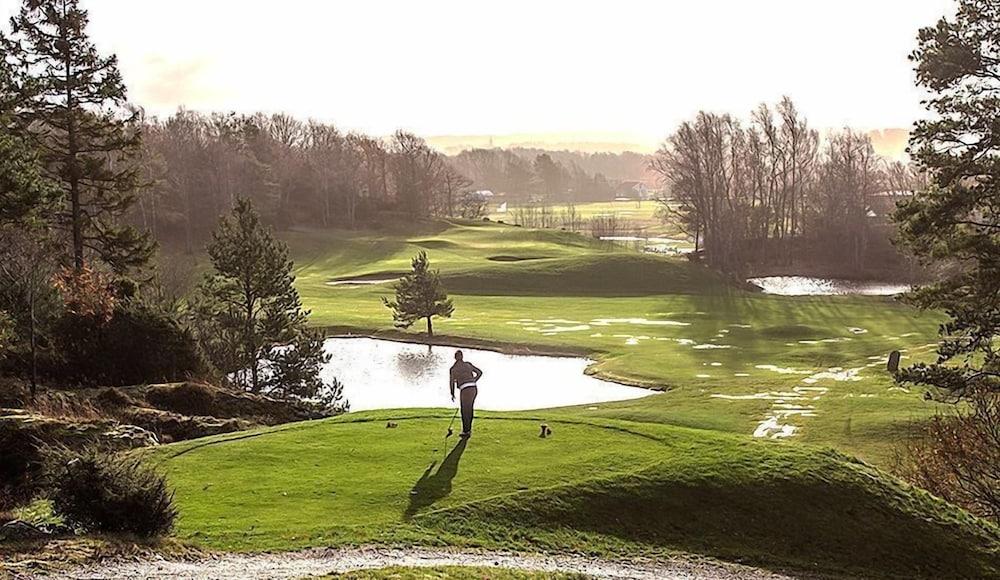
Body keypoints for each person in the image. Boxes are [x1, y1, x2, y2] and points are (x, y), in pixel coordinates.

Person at [449, 350, 483, 438]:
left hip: (465, 389)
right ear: (462, 357)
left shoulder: (453, 369)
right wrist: (474, 380)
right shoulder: (468, 364)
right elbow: (479, 372)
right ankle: (468, 430)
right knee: (470, 408)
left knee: (464, 410)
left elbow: (451, 382)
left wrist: (452, 394)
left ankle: (465, 431)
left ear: (455, 357)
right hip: (473, 388)